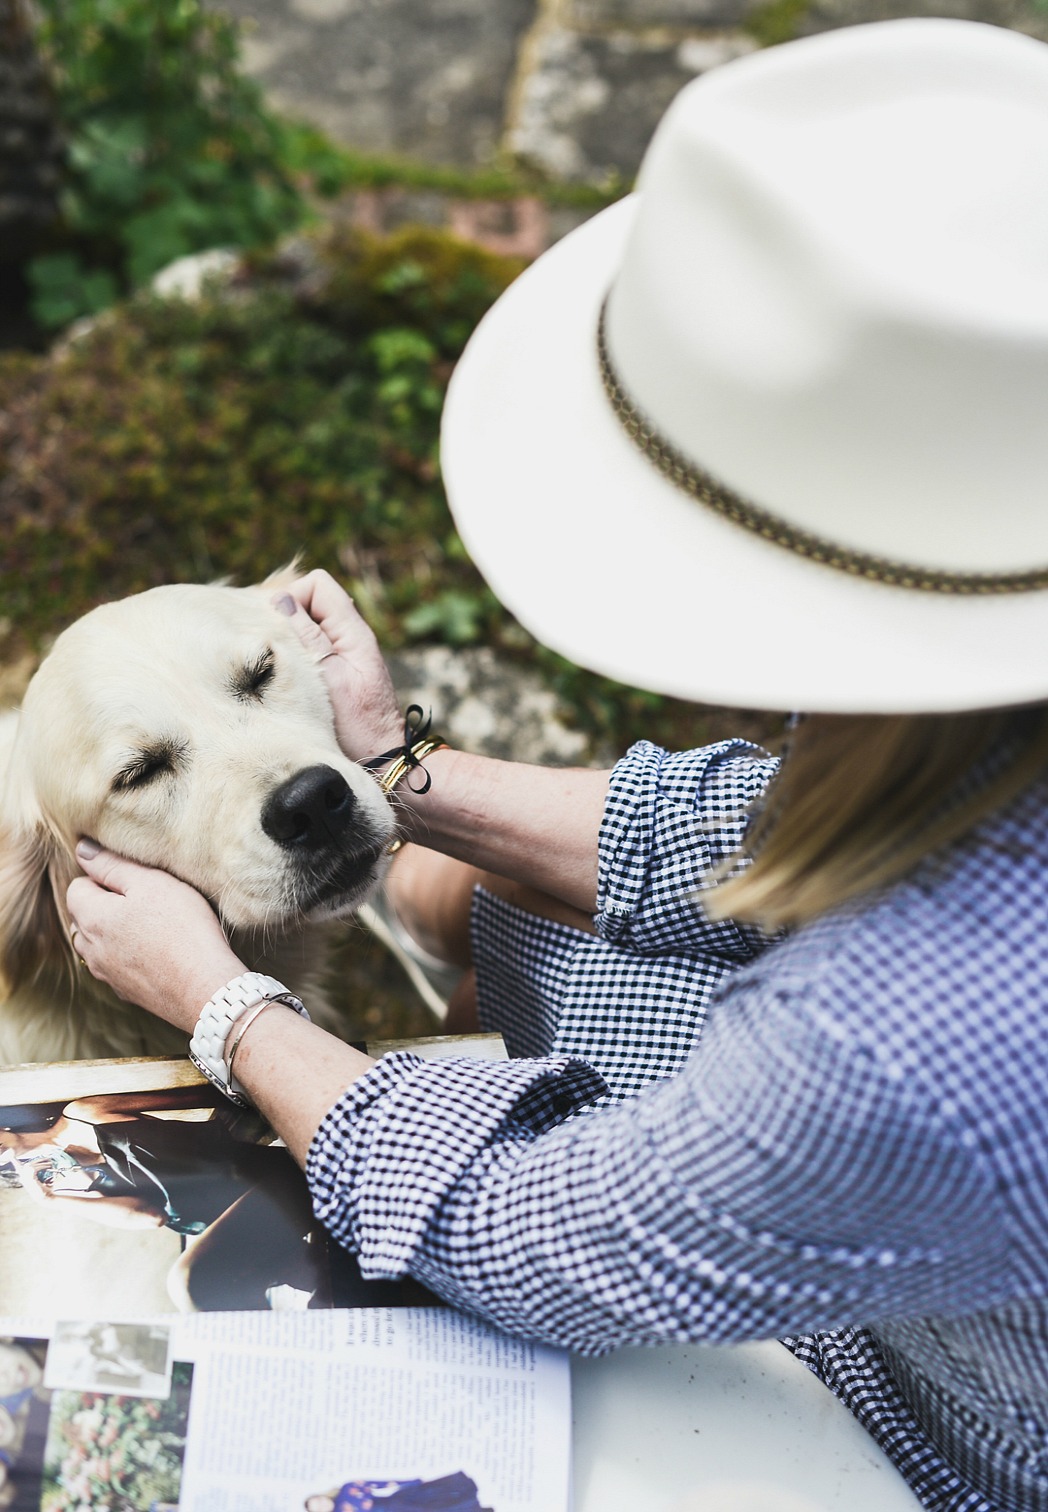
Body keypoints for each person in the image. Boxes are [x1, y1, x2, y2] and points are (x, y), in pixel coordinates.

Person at [64, 18, 1048, 1512]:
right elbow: (758, 831)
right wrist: (400, 773)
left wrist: (225, 1005)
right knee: (517, 913)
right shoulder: (975, 710)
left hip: (961, 1420)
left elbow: (519, 1237)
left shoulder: (892, 1042)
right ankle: (448, 915)